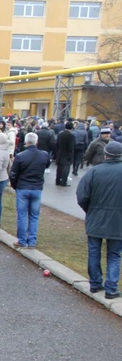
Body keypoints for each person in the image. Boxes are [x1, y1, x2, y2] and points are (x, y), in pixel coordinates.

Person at [76, 141, 122, 299]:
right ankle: (111, 288)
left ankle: (95, 283)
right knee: (114, 254)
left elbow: (82, 196)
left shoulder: (94, 172)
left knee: (94, 252)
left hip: (95, 217)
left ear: (106, 155)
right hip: (118, 220)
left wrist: (90, 210)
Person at [9, 133, 51, 249]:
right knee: (34, 216)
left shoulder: (20, 156)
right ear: (36, 142)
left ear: (26, 142)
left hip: (22, 187)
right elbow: (47, 165)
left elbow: (13, 173)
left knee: (22, 215)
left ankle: (22, 240)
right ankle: (32, 241)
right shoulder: (44, 155)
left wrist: (14, 185)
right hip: (37, 188)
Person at [56, 122, 75, 186]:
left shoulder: (60, 134)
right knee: (66, 169)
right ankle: (63, 182)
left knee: (59, 168)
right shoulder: (71, 136)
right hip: (67, 155)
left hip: (60, 153)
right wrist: (71, 156)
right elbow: (71, 147)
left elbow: (57, 144)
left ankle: (57, 181)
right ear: (71, 128)